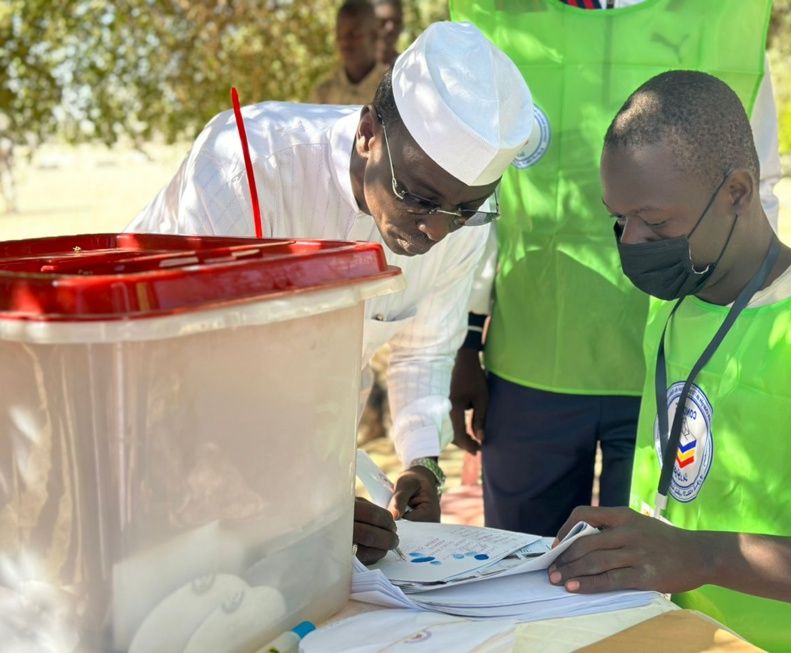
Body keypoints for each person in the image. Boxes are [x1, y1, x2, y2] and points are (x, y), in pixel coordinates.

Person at [128, 22, 533, 532]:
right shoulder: (248, 165)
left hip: (299, 460)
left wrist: (422, 461)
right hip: (155, 441)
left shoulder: (462, 224)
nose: (435, 229)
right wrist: (300, 509)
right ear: (368, 135)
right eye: (418, 197)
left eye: (465, 208)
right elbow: (189, 371)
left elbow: (423, 349)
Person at [548, 70, 791, 653]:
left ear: (739, 192)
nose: (633, 243)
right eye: (619, 220)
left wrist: (704, 557)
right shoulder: (670, 308)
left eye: (658, 222)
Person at [449, 0, 782, 538]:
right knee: (525, 566)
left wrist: (746, 334)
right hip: (533, 361)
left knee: (650, 578)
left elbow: (758, 186)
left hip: (675, 364)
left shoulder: (718, 21)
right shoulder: (507, 20)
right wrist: (463, 341)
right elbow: (477, 197)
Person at [309, 0, 386, 106]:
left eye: (353, 34)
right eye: (340, 34)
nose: (345, 41)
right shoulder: (323, 92)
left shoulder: (391, 89)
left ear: (374, 36)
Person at [374, 0, 404, 66]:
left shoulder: (407, 66)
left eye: (397, 22)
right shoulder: (352, 67)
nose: (390, 28)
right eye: (382, 22)